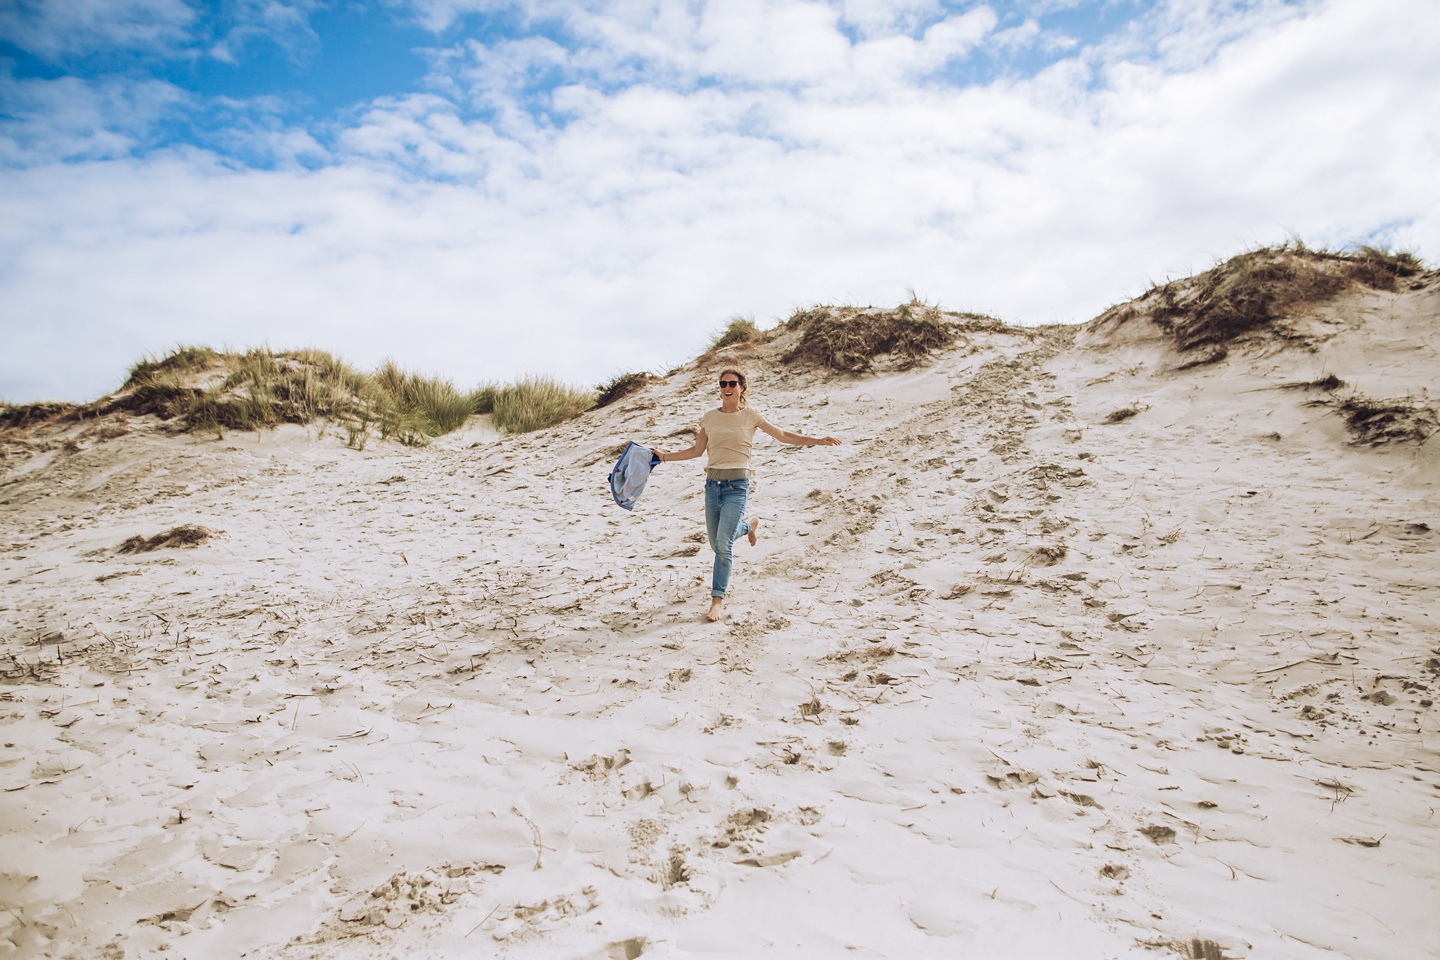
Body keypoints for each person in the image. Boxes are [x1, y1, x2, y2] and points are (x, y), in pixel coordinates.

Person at [652, 368, 841, 621]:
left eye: (732, 383)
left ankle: (717, 600)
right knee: (716, 543)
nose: (726, 387)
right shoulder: (708, 418)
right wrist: (663, 457)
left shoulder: (751, 415)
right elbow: (696, 451)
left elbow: (783, 435)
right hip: (712, 486)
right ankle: (749, 524)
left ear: (741, 388)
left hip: (737, 487)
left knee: (722, 545)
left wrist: (816, 440)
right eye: (722, 384)